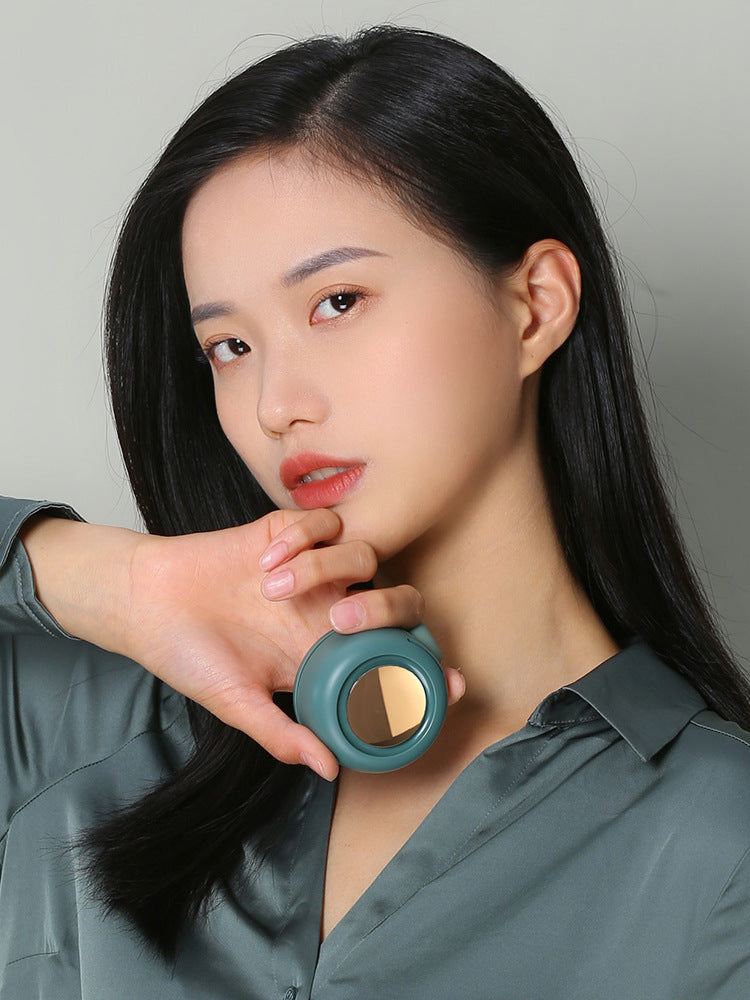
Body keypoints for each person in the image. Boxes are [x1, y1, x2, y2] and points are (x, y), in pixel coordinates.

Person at [2, 23, 749, 999]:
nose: (277, 404)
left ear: (535, 305)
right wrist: (117, 579)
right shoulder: (78, 721)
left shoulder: (717, 844)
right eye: (228, 347)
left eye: (337, 302)